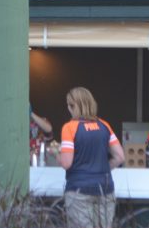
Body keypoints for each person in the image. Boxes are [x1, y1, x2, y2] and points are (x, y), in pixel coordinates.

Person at [59, 87, 125, 228]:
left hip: (79, 190)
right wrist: (104, 168)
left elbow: (66, 162)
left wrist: (55, 154)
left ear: (73, 106)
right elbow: (120, 157)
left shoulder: (69, 128)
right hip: (105, 189)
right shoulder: (104, 125)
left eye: (69, 105)